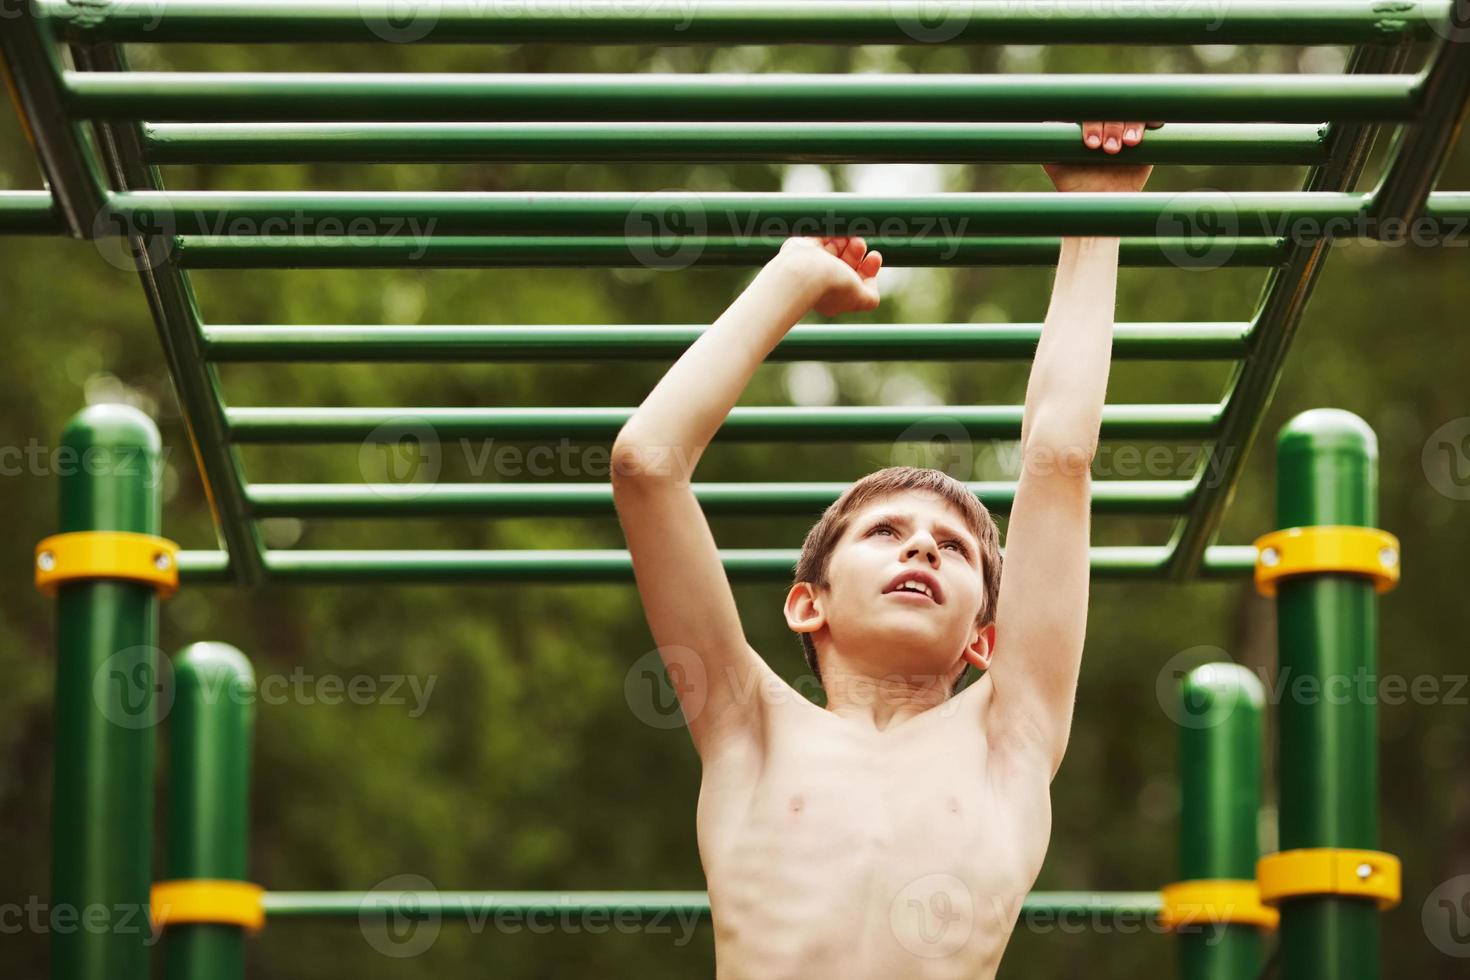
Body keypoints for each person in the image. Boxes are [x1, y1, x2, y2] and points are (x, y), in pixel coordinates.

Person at [610, 120, 1158, 978]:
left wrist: (1097, 214)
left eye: (954, 548)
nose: (924, 552)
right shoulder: (744, 728)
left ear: (987, 635)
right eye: (886, 533)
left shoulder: (1008, 737)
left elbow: (1059, 457)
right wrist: (790, 276)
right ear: (807, 601)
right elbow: (646, 465)